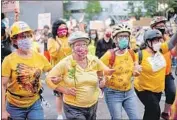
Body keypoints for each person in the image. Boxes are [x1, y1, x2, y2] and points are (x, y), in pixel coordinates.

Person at [46, 31, 115, 120]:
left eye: (84, 44)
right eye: (78, 45)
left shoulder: (93, 60)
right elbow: (48, 79)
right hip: (73, 107)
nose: (82, 48)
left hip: (92, 105)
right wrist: (64, 90)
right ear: (72, 47)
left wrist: (105, 77)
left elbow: (105, 70)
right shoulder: (65, 63)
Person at [1, 21, 52, 120]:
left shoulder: (39, 57)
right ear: (14, 40)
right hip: (14, 106)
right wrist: (2, 111)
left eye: (28, 36)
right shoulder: (9, 60)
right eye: (22, 37)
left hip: (35, 103)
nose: (26, 39)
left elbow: (51, 71)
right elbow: (2, 86)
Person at [134, 29, 177, 120]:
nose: (158, 43)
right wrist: (135, 69)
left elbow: (171, 43)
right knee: (155, 110)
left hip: (157, 90)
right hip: (144, 90)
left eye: (159, 40)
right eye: (155, 40)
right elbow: (132, 67)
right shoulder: (140, 55)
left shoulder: (160, 50)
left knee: (150, 112)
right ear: (148, 42)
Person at [100, 24, 139, 120]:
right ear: (115, 39)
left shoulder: (132, 53)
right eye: (121, 36)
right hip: (113, 93)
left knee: (135, 118)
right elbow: (97, 68)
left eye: (126, 36)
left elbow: (135, 68)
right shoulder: (109, 55)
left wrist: (136, 71)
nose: (124, 39)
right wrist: (102, 79)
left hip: (129, 92)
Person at [150, 16, 176, 119]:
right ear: (153, 27)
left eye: (163, 25)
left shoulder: (168, 38)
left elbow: (173, 52)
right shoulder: (150, 40)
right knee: (154, 100)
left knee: (172, 92)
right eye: (159, 25)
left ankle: (165, 112)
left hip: (167, 73)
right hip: (155, 74)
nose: (162, 26)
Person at [47, 19, 72, 119]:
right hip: (57, 71)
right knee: (59, 94)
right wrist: (58, 45)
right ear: (56, 30)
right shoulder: (51, 40)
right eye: (60, 29)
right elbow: (52, 54)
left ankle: (71, 112)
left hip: (70, 69)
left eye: (65, 29)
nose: (63, 31)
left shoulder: (70, 38)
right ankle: (59, 114)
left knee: (70, 92)